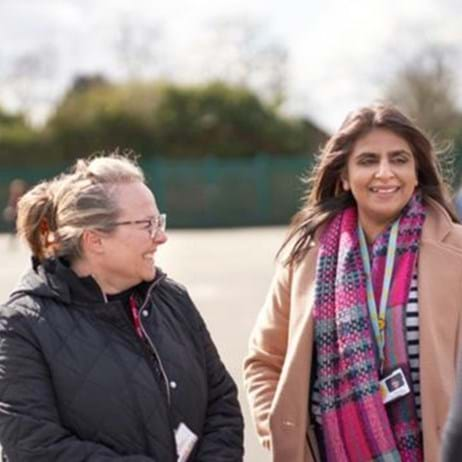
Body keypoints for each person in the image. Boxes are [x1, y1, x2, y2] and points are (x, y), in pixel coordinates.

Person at [243, 103, 462, 462]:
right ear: (343, 175)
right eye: (368, 161)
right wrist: (287, 435)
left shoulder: (456, 253)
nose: (385, 173)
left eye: (399, 159)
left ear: (417, 172)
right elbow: (265, 359)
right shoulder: (305, 257)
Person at [0, 154, 244, 461]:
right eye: (147, 224)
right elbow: (33, 447)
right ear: (94, 240)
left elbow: (221, 402)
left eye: (160, 221)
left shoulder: (173, 299)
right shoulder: (22, 325)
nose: (161, 236)